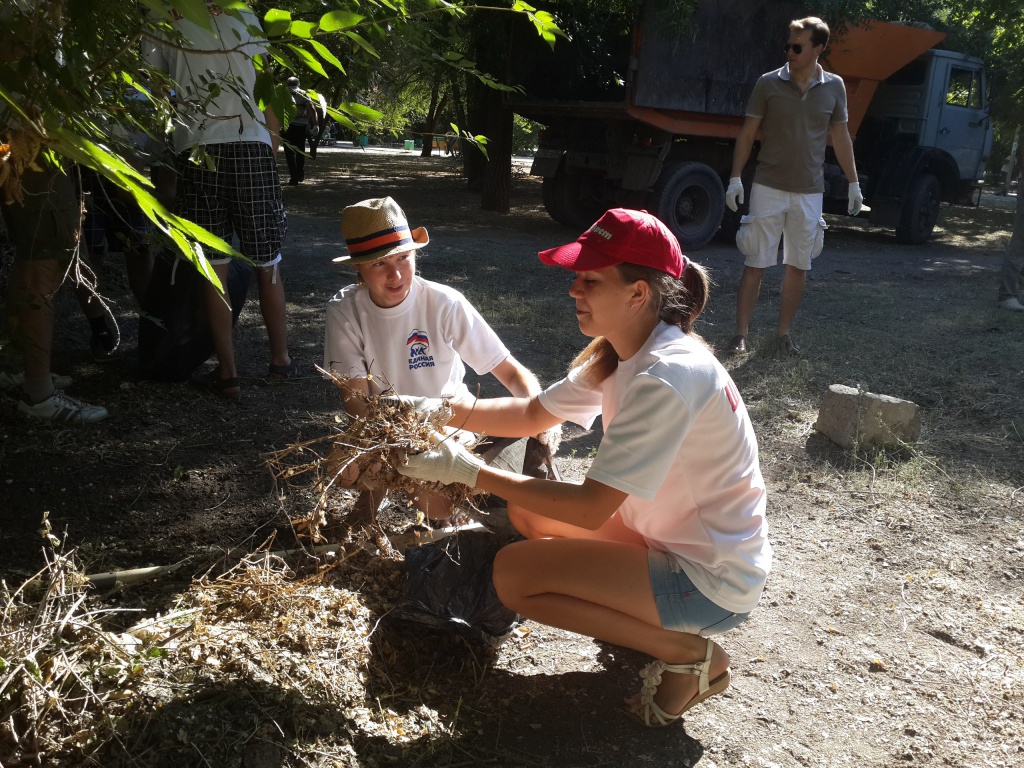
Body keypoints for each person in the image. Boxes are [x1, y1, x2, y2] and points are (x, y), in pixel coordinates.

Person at [394, 208, 772, 727]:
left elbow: (593, 509)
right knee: (530, 519)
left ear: (638, 293)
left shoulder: (665, 377)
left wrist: (470, 472)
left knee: (514, 576)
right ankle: (641, 620)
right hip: (669, 541)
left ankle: (688, 655)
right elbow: (531, 413)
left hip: (709, 580)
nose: (574, 290)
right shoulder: (623, 354)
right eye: (576, 277)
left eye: (590, 280)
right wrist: (438, 407)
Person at [324, 196, 550, 522]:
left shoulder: (444, 303)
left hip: (448, 423)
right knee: (342, 468)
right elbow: (356, 400)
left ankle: (450, 512)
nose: (396, 274)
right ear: (357, 266)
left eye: (403, 258)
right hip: (385, 425)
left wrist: (538, 413)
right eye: (379, 264)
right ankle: (366, 512)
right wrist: (396, 439)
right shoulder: (344, 310)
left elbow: (511, 371)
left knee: (436, 504)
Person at [143, 2, 295, 398]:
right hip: (252, 145)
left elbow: (158, 89)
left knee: (215, 267)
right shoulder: (241, 12)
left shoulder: (161, 12)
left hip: (199, 150)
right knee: (268, 262)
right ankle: (280, 361)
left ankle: (228, 375)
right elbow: (265, 88)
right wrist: (269, 145)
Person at [724, 16, 861, 357]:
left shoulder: (835, 87)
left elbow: (841, 137)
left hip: (810, 190)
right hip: (768, 185)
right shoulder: (768, 83)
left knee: (798, 265)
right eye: (788, 45)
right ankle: (740, 335)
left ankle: (782, 336)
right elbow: (747, 132)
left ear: (818, 49)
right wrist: (735, 177)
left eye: (797, 46)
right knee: (755, 261)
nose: (789, 51)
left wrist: (854, 183)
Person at [1, 164, 109, 422]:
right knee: (45, 261)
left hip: (29, 153)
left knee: (32, 258)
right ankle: (38, 395)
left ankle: (17, 367)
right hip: (36, 151)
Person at [283, 77, 318, 185]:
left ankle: (293, 177)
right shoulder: (303, 94)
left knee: (289, 153)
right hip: (301, 126)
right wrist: (315, 124)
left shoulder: (283, 93)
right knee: (300, 151)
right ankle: (300, 174)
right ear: (298, 84)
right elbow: (311, 109)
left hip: (287, 126)